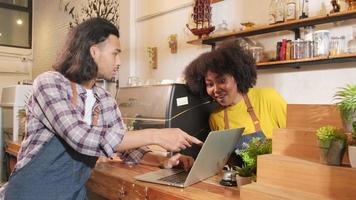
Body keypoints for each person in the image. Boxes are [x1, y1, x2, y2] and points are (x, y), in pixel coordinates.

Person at [0, 18, 201, 200]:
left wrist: (164, 161)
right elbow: (79, 136)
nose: (119, 62)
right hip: (32, 193)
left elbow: (128, 151)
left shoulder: (104, 99)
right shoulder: (50, 83)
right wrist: (156, 135)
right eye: (115, 54)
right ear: (93, 51)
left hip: (72, 193)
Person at [184, 40, 286, 151]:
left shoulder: (268, 97)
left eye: (222, 81)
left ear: (237, 76)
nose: (216, 89)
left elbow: (296, 139)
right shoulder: (215, 118)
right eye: (210, 84)